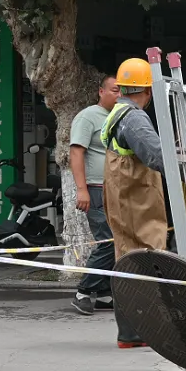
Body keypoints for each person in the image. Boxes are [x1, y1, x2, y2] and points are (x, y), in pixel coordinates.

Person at [101, 58, 186, 348]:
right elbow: (156, 156)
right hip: (136, 202)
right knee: (147, 261)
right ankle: (143, 329)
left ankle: (131, 332)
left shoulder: (118, 112)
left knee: (128, 259)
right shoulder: (135, 117)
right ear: (148, 92)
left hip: (126, 199)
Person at [69, 75, 121, 315]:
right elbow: (76, 153)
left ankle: (102, 293)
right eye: (114, 90)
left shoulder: (119, 117)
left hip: (115, 189)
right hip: (95, 189)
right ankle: (83, 291)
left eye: (122, 91)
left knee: (116, 241)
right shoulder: (88, 117)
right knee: (108, 240)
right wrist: (82, 189)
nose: (119, 95)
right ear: (101, 91)